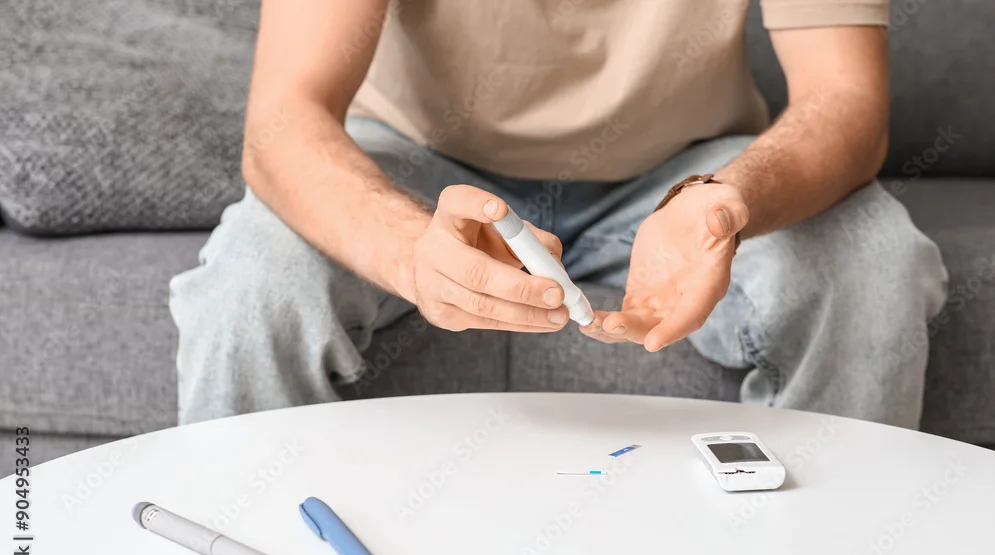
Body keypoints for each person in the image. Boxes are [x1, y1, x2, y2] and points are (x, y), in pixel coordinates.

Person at [169, 0, 948, 429]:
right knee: (255, 282)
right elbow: (283, 121)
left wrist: (725, 199)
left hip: (683, 165)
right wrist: (411, 251)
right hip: (419, 162)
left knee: (873, 262)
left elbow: (845, 98)